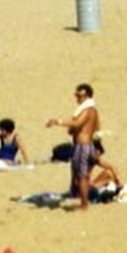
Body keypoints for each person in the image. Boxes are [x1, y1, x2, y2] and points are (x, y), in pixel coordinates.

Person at [47, 83, 100, 211]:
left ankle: (84, 206)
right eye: (76, 95)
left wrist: (57, 121)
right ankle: (83, 201)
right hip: (84, 145)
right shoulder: (90, 110)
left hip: (83, 146)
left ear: (87, 96)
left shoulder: (88, 110)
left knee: (82, 176)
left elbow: (78, 123)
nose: (77, 98)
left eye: (79, 95)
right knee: (79, 176)